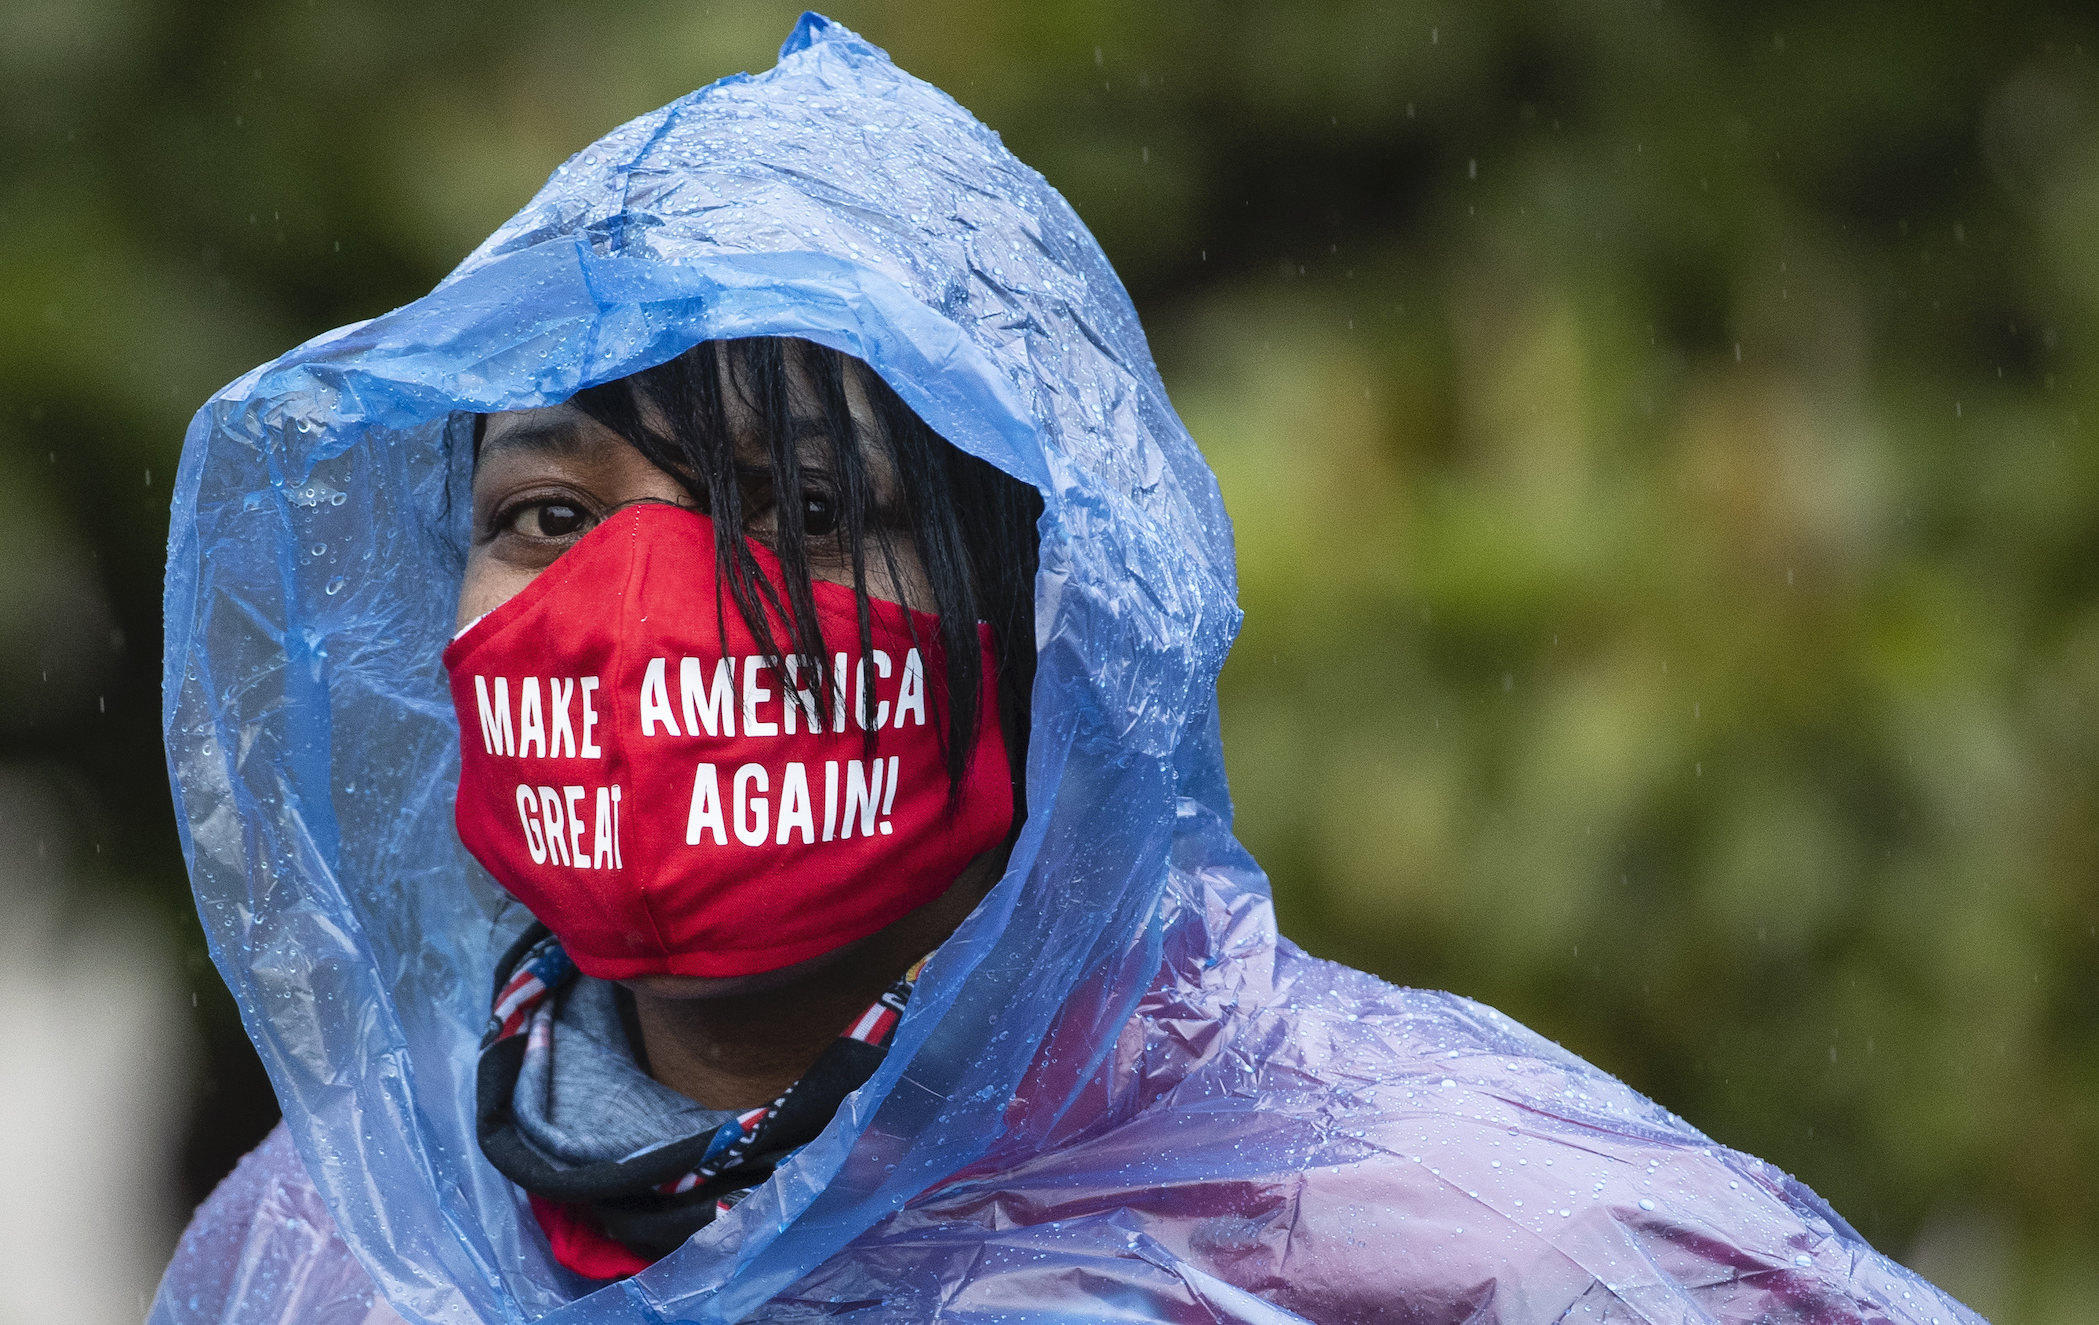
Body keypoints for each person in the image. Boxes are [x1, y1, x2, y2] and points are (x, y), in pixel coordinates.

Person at [152, 15, 1980, 1325]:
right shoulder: (332, 1257)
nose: (642, 608)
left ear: (1062, 603)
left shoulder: (1439, 1240)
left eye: (796, 501)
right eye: (544, 516)